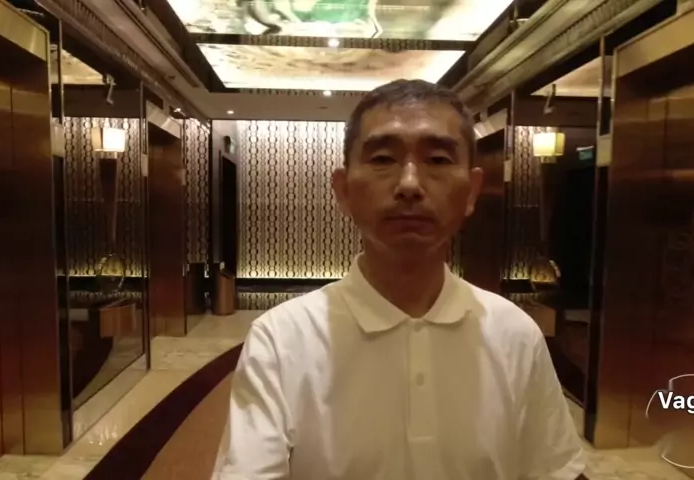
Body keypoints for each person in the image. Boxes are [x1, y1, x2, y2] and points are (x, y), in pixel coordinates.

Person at [211, 79, 586, 479]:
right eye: (383, 159)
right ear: (343, 190)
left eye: (438, 160)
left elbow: (554, 471)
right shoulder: (281, 338)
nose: (409, 184)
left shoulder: (515, 333)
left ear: (472, 191)